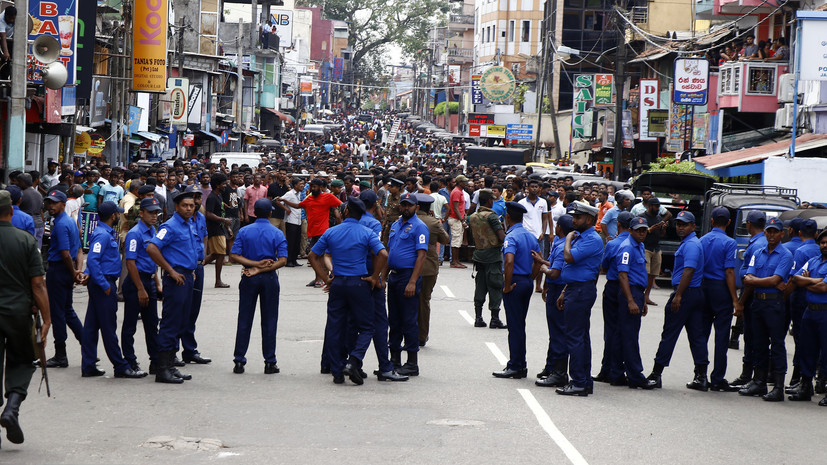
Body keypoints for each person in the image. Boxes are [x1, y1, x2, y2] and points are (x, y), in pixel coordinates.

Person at [309, 197, 387, 385]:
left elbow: (313, 255)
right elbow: (383, 254)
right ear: (362, 214)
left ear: (345, 212)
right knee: (367, 327)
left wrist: (326, 277)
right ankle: (354, 360)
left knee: (336, 327)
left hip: (338, 283)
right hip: (359, 282)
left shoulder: (331, 231)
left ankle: (337, 371)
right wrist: (375, 277)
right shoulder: (367, 232)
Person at [0, 189, 51, 447]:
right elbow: (38, 284)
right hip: (19, 312)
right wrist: (48, 319)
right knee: (21, 360)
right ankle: (12, 407)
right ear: (11, 211)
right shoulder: (26, 240)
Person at [80, 201, 146, 379]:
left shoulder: (104, 232)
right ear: (113, 216)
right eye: (117, 214)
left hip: (102, 282)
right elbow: (93, 259)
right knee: (108, 327)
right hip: (104, 284)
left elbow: (95, 259)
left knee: (91, 326)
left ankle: (88, 364)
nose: (119, 215)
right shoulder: (102, 235)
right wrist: (103, 284)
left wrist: (89, 274)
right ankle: (120, 365)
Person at [647, 211, 708, 390]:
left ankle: (656, 374)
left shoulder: (691, 245)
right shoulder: (691, 243)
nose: (680, 228)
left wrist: (679, 295)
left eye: (684, 224)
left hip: (686, 294)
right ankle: (701, 376)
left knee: (670, 334)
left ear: (692, 226)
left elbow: (689, 270)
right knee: (697, 336)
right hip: (693, 293)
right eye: (679, 224)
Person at [229, 198, 288, 374]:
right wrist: (262, 268)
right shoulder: (277, 233)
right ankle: (270, 361)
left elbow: (234, 255)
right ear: (270, 213)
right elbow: (283, 260)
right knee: (269, 320)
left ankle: (239, 361)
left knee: (244, 319)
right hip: (269, 278)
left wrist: (254, 266)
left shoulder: (245, 231)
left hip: (249, 277)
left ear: (254, 212)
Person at [147, 191, 199, 384]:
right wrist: (170, 270)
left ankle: (170, 365)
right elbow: (152, 247)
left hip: (186, 277)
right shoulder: (169, 226)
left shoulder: (189, 223)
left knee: (181, 322)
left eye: (191, 205)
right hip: (175, 279)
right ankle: (162, 369)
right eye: (185, 205)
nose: (188, 208)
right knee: (170, 322)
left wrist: (189, 269)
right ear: (177, 207)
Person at [739, 217, 793, 401]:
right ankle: (759, 382)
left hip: (774, 303)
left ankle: (778, 387)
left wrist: (757, 281)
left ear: (781, 234)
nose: (771, 235)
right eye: (768, 231)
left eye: (775, 231)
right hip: (758, 302)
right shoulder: (758, 252)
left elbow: (776, 280)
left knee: (777, 344)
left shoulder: (785, 255)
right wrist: (764, 281)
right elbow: (747, 276)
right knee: (758, 342)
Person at [357, 190, 409, 381]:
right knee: (379, 322)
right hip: (370, 277)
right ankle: (384, 366)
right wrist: (378, 276)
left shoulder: (345, 225)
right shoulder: (372, 223)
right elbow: (378, 253)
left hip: (350, 278)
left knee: (350, 322)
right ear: (376, 204)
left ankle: (343, 363)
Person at [555, 201, 603, 396]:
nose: (574, 220)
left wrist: (567, 238)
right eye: (573, 217)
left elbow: (569, 258)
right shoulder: (583, 236)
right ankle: (584, 380)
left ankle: (578, 382)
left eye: (578, 217)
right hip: (576, 289)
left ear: (589, 220)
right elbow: (575, 270)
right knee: (580, 337)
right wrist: (565, 290)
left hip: (581, 291)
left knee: (574, 337)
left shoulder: (591, 238)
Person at [492, 201, 541, 379]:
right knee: (520, 324)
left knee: (515, 326)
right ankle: (520, 364)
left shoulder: (511, 237)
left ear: (508, 217)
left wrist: (507, 285)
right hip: (526, 281)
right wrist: (531, 279)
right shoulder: (530, 236)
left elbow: (509, 261)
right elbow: (539, 259)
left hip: (514, 282)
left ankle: (515, 366)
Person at [386, 192, 429, 376]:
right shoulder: (395, 225)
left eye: (409, 205)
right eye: (403, 205)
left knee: (409, 321)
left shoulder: (420, 227)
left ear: (416, 207)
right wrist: (382, 275)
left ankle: (412, 363)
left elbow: (421, 256)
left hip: (407, 277)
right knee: (393, 320)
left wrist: (412, 281)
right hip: (394, 277)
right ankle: (394, 360)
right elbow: (388, 251)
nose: (405, 208)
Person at [698, 207, 741, 392]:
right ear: (729, 223)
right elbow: (729, 271)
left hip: (703, 287)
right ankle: (717, 378)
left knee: (702, 334)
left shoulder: (702, 240)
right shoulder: (730, 243)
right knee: (721, 335)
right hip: (720, 289)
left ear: (712, 221)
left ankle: (700, 375)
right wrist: (734, 299)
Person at [613, 217, 659, 389]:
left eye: (644, 230)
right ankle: (636, 376)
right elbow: (623, 275)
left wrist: (642, 300)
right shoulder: (627, 248)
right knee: (630, 336)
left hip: (636, 293)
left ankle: (617, 373)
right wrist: (631, 300)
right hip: (629, 293)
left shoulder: (639, 246)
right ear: (630, 230)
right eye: (638, 230)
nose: (642, 233)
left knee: (623, 334)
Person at [42, 189, 84, 368]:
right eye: (48, 203)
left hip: (60, 270)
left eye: (54, 203)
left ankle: (61, 354)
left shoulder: (60, 224)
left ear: (63, 204)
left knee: (58, 313)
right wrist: (76, 271)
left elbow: (66, 254)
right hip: (66, 270)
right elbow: (78, 250)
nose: (50, 206)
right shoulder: (67, 221)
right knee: (67, 310)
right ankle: (87, 344)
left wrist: (74, 271)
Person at [121, 197, 162, 374]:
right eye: (151, 212)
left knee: (152, 324)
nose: (154, 216)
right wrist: (140, 289)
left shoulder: (153, 230)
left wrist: (157, 283)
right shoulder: (135, 233)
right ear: (142, 213)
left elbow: (153, 260)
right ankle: (130, 362)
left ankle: (155, 361)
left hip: (149, 280)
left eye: (156, 212)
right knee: (130, 325)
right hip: (136, 282)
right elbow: (130, 263)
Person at [534, 214, 574, 387]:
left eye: (557, 225)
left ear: (560, 228)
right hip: (554, 287)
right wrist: (545, 285)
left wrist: (542, 265)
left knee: (558, 332)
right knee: (554, 331)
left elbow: (554, 271)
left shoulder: (562, 245)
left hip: (559, 288)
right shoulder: (559, 243)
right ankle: (551, 366)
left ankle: (559, 373)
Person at [788, 228, 827, 405]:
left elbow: (823, 288)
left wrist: (809, 282)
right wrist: (815, 280)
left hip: (825, 312)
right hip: (809, 311)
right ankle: (805, 386)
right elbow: (796, 279)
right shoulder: (813, 261)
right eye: (822, 242)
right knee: (807, 349)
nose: (825, 245)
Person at [593, 211, 633, 384]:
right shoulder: (636, 243)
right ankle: (618, 369)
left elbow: (604, 266)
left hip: (614, 286)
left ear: (618, 224)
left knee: (610, 331)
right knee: (624, 330)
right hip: (630, 288)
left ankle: (608, 369)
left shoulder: (613, 243)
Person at [730, 211, 767, 387]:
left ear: (748, 224)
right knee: (756, 337)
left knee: (751, 337)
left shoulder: (755, 245)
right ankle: (753, 376)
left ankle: (748, 376)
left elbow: (750, 280)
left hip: (752, 296)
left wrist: (741, 303)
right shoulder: (763, 242)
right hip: (759, 296)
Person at [179, 188, 211, 365]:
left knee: (193, 310)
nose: (195, 202)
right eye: (192, 199)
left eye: (198, 198)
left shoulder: (201, 218)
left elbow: (204, 237)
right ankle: (172, 351)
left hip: (198, 267)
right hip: (183, 270)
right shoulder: (176, 223)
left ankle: (190, 350)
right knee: (180, 311)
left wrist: (203, 257)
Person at [786, 219, 819, 391]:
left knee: (801, 339)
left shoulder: (800, 251)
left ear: (799, 233)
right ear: (815, 234)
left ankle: (797, 378)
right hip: (814, 298)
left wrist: (784, 296)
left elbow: (794, 279)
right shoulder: (818, 251)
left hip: (800, 298)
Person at [414, 193, 449, 346]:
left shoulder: (407, 221)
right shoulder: (434, 223)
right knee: (424, 301)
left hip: (409, 266)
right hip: (428, 267)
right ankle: (421, 335)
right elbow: (445, 239)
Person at [469, 189, 506, 328]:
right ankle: (494, 318)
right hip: (493, 255)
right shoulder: (491, 216)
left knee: (480, 286)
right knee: (495, 285)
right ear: (489, 200)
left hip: (479, 255)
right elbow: (501, 236)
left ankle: (478, 317)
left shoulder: (473, 216)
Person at [519, 179, 549, 293]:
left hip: (539, 236)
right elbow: (520, 219)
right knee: (525, 259)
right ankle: (526, 281)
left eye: (536, 186)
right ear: (527, 188)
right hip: (526, 235)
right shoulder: (522, 202)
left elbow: (545, 218)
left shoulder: (543, 202)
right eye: (532, 186)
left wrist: (543, 232)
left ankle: (538, 285)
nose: (534, 189)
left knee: (540, 260)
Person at [204, 173, 232, 288]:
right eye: (223, 184)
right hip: (214, 229)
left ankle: (196, 267)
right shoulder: (211, 197)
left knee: (217, 254)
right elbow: (208, 214)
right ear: (217, 185)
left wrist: (227, 228)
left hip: (220, 228)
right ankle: (218, 281)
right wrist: (223, 220)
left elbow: (221, 212)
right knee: (220, 254)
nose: (225, 186)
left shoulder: (219, 195)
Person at [639, 198, 669, 306]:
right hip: (645, 247)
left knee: (653, 274)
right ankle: (640, 296)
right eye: (656, 206)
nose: (658, 208)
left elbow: (661, 235)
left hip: (656, 248)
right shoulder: (642, 217)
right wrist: (650, 230)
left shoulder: (658, 218)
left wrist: (663, 229)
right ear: (650, 206)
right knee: (645, 273)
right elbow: (638, 232)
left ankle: (647, 296)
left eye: (658, 206)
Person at [281, 178, 304, 267]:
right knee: (291, 242)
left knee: (297, 241)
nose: (302, 185)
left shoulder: (299, 194)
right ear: (295, 185)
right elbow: (278, 200)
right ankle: (289, 260)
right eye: (300, 184)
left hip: (298, 220)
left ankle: (294, 260)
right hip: (291, 221)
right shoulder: (289, 194)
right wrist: (286, 209)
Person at [447, 175, 469, 268]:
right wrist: (462, 220)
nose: (466, 183)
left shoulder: (459, 191)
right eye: (464, 182)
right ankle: (454, 261)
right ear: (460, 182)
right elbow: (455, 208)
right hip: (456, 219)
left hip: (458, 218)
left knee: (458, 240)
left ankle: (456, 260)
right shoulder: (456, 192)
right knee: (456, 241)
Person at [381, 177, 404, 245]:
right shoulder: (390, 196)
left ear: (398, 188)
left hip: (396, 225)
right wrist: (384, 222)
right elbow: (387, 209)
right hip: (388, 224)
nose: (389, 188)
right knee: (385, 242)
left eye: (392, 186)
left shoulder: (401, 199)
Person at [0, 6, 15, 81]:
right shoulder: (1, 20)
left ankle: (7, 79)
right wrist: (5, 52)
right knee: (4, 60)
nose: (12, 20)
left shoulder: (18, 16)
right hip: (2, 39)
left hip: (11, 39)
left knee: (10, 61)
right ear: (6, 16)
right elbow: (3, 36)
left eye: (13, 19)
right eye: (10, 19)